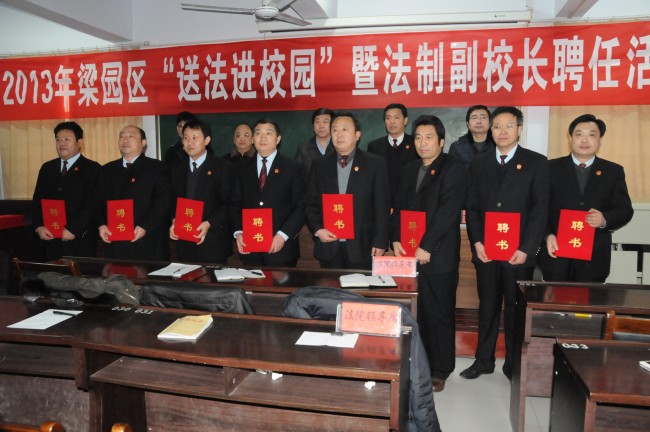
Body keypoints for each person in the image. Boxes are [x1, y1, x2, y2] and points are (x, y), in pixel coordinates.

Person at [461, 106, 549, 381]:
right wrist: (477, 242)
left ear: (519, 129)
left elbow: (540, 210)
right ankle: (483, 361)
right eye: (497, 126)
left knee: (514, 310)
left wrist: (527, 248)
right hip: (487, 251)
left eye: (509, 126)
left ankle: (513, 365)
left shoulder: (536, 162)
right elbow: (472, 208)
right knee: (487, 307)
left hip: (518, 254)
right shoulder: (479, 163)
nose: (502, 131)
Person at [391, 115, 467, 392]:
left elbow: (448, 212)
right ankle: (416, 363)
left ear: (442, 141)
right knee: (416, 312)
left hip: (438, 255)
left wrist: (427, 246)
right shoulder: (408, 169)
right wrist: (395, 238)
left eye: (429, 137)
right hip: (409, 254)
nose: (423, 143)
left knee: (439, 313)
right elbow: (398, 207)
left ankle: (440, 369)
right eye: (419, 138)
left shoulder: (454, 168)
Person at [540, 114, 633, 282]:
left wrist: (604, 219)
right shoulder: (549, 168)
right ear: (570, 138)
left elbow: (625, 210)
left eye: (591, 135)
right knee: (557, 299)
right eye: (579, 134)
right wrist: (547, 235)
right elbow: (538, 207)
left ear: (600, 140)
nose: (584, 140)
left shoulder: (613, 171)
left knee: (589, 299)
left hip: (593, 258)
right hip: (556, 255)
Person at [306, 112, 390, 269]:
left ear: (357, 135)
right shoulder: (319, 165)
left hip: (363, 246)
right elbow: (310, 202)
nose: (339, 134)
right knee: (329, 286)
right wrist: (317, 229)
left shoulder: (375, 164)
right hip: (329, 245)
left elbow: (382, 206)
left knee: (359, 286)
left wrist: (380, 241)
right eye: (335, 130)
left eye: (344, 129)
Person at [230, 119, 305, 267]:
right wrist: (238, 232)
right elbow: (234, 204)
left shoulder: (293, 168)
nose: (263, 138)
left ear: (278, 139)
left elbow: (301, 206)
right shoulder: (241, 169)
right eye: (258, 133)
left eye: (269, 133)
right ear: (253, 139)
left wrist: (282, 235)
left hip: (281, 248)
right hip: (250, 248)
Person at [98, 126, 171, 261]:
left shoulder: (157, 168)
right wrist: (101, 225)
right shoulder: (107, 170)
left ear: (144, 143)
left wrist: (145, 226)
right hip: (115, 244)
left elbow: (163, 202)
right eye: (122, 136)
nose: (125, 139)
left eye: (131, 136)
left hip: (149, 242)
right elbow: (97, 202)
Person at [31, 121, 101, 260]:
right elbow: (37, 200)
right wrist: (39, 226)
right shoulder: (47, 168)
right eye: (58, 140)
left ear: (80, 142)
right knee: (51, 273)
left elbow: (93, 205)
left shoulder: (93, 169)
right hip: (50, 238)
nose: (61, 143)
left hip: (80, 240)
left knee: (80, 274)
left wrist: (73, 229)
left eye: (67, 139)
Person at [169, 119, 233, 263]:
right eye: (186, 138)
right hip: (184, 241)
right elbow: (171, 200)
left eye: (194, 138)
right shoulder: (176, 168)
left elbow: (228, 203)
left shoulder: (222, 167)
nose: (189, 142)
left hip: (213, 241)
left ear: (207, 140)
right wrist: (173, 220)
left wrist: (209, 223)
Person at [367, 103, 419, 209]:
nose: (392, 121)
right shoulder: (374, 146)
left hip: (409, 204)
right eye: (388, 118)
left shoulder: (416, 144)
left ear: (405, 121)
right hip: (382, 203)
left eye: (396, 117)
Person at [294, 107, 335, 179]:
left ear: (333, 125)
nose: (321, 126)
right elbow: (296, 176)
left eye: (325, 122)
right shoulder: (303, 148)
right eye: (317, 122)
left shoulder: (340, 147)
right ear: (313, 126)